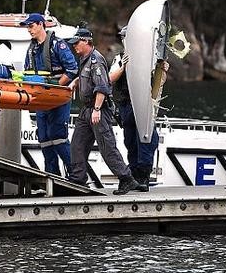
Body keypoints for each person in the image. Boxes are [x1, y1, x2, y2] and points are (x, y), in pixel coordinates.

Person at [67, 25, 140, 194]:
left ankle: (126, 178)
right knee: (77, 145)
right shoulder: (84, 59)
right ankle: (78, 179)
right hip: (86, 110)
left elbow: (102, 86)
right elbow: (88, 76)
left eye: (76, 43)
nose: (74, 46)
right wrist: (76, 81)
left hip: (97, 109)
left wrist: (97, 109)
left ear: (86, 41)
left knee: (107, 147)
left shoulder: (96, 60)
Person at [109, 26, 166, 192]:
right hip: (126, 105)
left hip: (143, 105)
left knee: (147, 140)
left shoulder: (149, 58)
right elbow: (111, 78)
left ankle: (144, 176)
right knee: (130, 141)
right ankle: (134, 175)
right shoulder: (120, 58)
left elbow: (159, 83)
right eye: (123, 37)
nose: (124, 40)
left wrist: (162, 70)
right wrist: (123, 67)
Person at [20, 13, 78, 175]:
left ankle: (76, 174)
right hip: (41, 99)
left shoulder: (57, 45)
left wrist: (56, 87)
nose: (29, 30)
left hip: (57, 98)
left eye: (31, 26)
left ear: (40, 24)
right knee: (44, 137)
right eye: (28, 27)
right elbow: (28, 72)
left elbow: (72, 69)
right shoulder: (32, 49)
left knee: (58, 135)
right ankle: (52, 175)